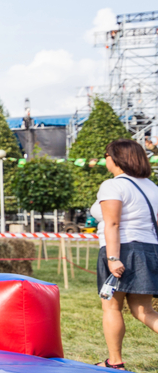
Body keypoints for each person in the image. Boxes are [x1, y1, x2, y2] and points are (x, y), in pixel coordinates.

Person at [91, 138, 158, 369]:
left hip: (122, 249)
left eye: (106, 155)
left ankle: (115, 362)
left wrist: (112, 258)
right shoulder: (152, 186)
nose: (105, 159)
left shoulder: (113, 185)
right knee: (144, 310)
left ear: (116, 158)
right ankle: (114, 362)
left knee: (111, 306)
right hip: (149, 249)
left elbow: (112, 224)